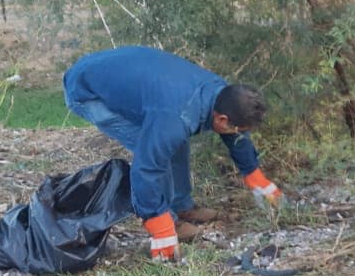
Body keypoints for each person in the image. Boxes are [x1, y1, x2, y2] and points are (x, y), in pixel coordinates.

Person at [63, 46, 284, 261]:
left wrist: (253, 174)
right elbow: (147, 167)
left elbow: (236, 136)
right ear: (222, 119)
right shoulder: (177, 115)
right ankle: (169, 221)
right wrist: (157, 223)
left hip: (122, 76)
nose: (238, 134)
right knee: (156, 150)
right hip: (86, 91)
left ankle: (182, 206)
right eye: (236, 129)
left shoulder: (222, 94)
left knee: (172, 139)